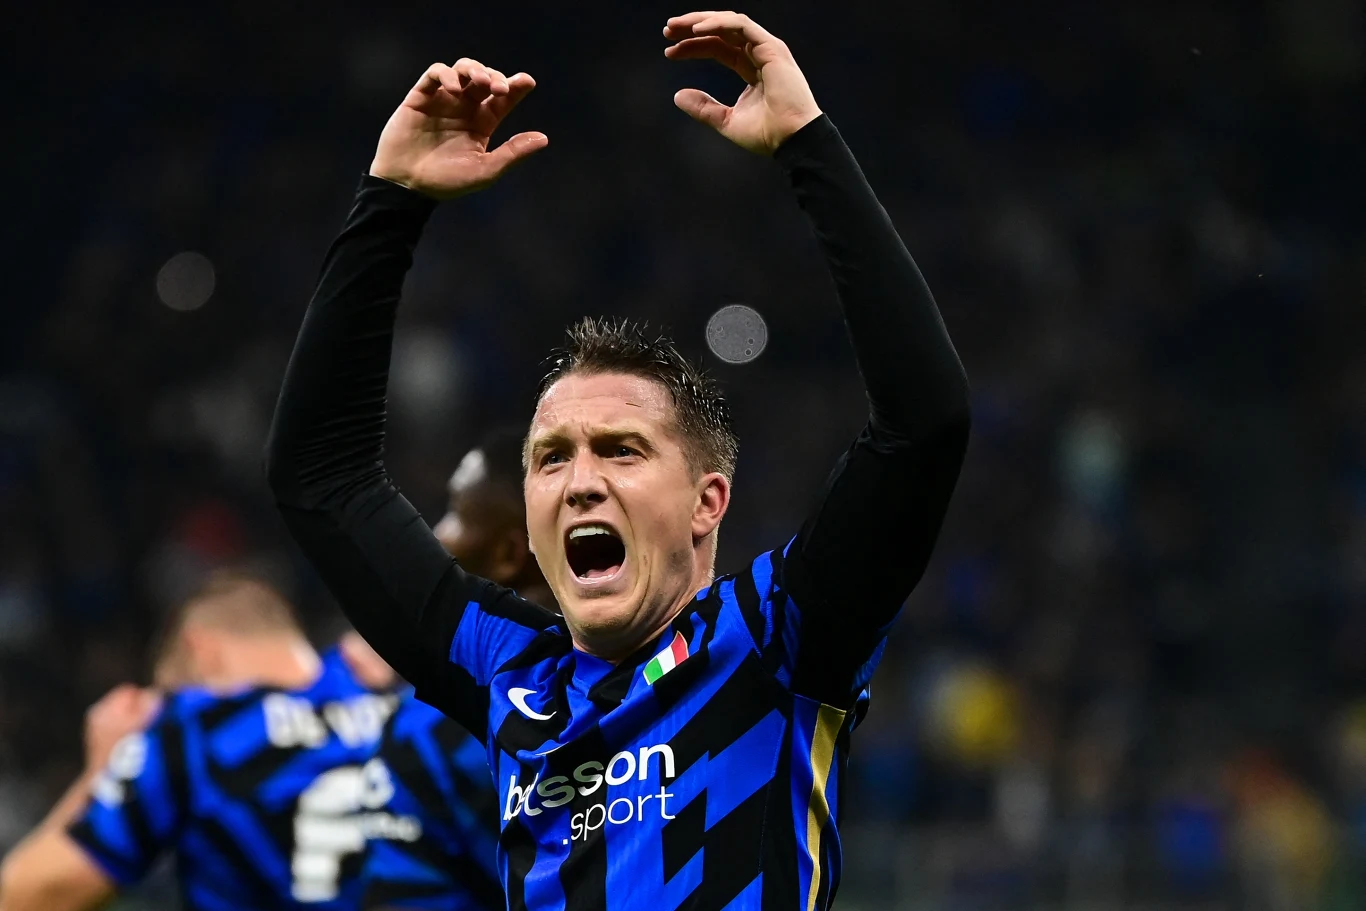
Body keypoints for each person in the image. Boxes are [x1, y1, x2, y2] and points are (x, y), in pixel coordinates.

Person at [266, 10, 970, 910]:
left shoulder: (774, 638)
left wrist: (809, 146)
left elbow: (924, 423)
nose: (581, 481)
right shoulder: (511, 670)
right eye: (551, 457)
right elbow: (320, 474)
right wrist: (391, 201)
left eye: (622, 449)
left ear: (708, 500)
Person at [0, 571, 396, 911]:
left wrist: (101, 772)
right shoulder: (398, 705)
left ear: (201, 649)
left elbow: (23, 897)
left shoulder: (193, 728)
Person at [363, 426, 554, 911]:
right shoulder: (650, 691)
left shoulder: (433, 727)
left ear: (509, 554)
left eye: (455, 513)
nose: (436, 535)